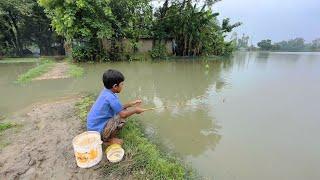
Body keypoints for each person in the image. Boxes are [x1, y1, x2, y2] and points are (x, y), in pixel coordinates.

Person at [87, 69, 145, 145]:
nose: (123, 86)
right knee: (121, 118)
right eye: (122, 84)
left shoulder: (107, 91)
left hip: (92, 126)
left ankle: (107, 135)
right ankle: (107, 140)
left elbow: (119, 107)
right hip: (97, 131)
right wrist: (135, 110)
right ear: (115, 86)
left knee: (123, 111)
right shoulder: (111, 97)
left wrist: (131, 104)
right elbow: (123, 114)